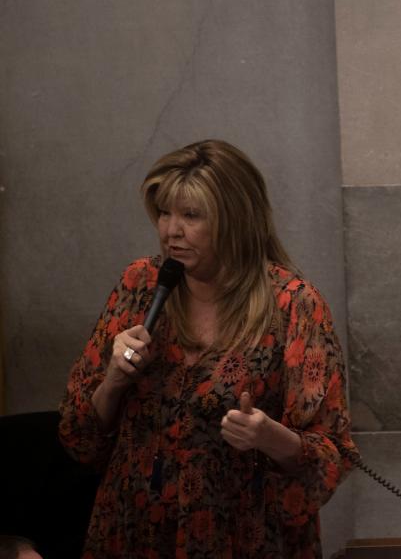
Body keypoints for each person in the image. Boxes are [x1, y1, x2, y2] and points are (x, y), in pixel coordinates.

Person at [59, 140, 357, 558]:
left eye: (191, 215)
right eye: (164, 212)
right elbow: (79, 436)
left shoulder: (293, 304)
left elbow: (333, 455)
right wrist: (112, 381)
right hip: (134, 528)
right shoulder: (140, 284)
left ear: (234, 219)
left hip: (241, 535)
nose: (170, 230)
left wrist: (270, 437)